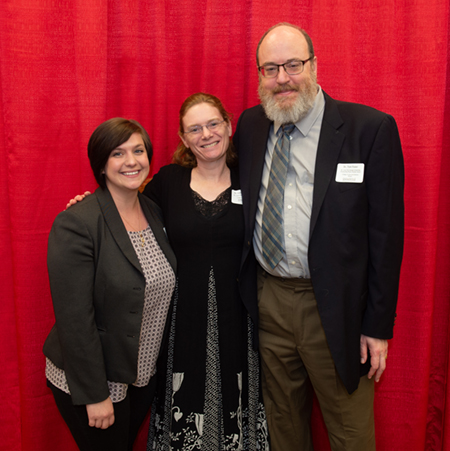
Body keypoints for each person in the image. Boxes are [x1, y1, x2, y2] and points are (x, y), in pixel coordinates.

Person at [233, 23, 404, 451]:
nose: (282, 78)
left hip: (337, 308)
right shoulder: (252, 126)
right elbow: (210, 183)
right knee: (283, 427)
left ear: (314, 65)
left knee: (350, 432)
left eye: (293, 65)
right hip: (269, 301)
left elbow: (386, 236)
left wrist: (378, 326)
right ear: (259, 76)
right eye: (270, 69)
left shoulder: (369, 129)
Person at [145, 93, 269, 450]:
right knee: (183, 396)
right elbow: (127, 212)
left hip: (242, 318)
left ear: (228, 126)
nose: (206, 134)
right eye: (194, 129)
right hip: (181, 321)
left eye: (213, 124)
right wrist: (89, 205)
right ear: (184, 139)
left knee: (239, 392)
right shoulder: (167, 182)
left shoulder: (252, 177)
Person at [43, 118, 177, 451]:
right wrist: (95, 395)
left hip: (141, 375)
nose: (131, 161)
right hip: (96, 382)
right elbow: (75, 319)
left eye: (138, 150)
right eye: (118, 153)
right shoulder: (78, 223)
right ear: (101, 164)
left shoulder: (154, 211)